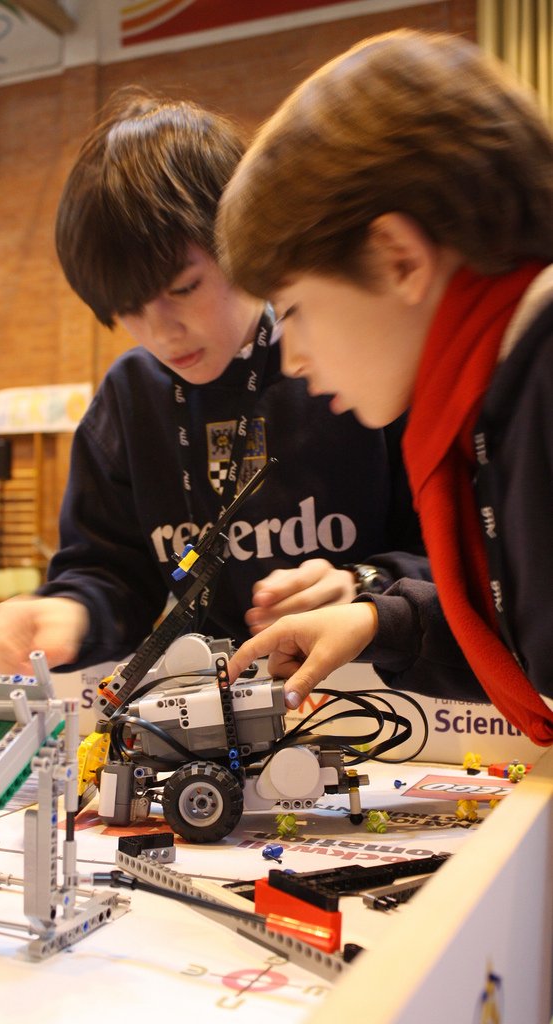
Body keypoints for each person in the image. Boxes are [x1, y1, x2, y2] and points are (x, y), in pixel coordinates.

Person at [0, 89, 428, 676]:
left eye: (184, 288)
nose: (162, 332)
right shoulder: (128, 397)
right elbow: (109, 572)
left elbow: (456, 555)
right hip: (226, 698)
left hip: (395, 689)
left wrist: (364, 585)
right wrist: (71, 610)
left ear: (241, 238)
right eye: (128, 310)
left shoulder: (351, 360)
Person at [215, 29, 553, 745]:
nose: (295, 360)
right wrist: (380, 620)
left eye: (297, 312)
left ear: (399, 259)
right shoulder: (502, 390)